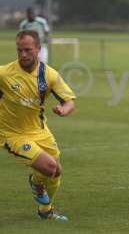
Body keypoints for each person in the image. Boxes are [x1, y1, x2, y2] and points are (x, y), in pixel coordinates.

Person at [0, 30, 76, 221]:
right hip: (12, 134)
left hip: (40, 130)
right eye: (19, 50)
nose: (23, 55)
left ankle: (45, 211)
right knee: (49, 167)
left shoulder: (49, 75)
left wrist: (64, 109)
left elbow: (70, 101)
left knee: (57, 171)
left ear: (38, 49)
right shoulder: (4, 73)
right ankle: (36, 184)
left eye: (27, 50)